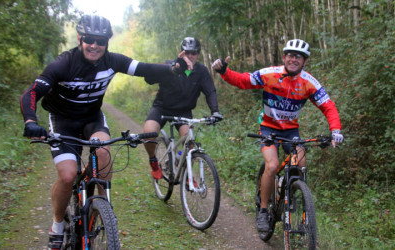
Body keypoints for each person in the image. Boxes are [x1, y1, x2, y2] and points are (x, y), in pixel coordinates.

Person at [20, 14, 191, 250]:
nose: (94, 45)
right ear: (80, 39)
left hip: (92, 118)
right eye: (89, 39)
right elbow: (31, 93)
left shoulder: (112, 60)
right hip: (63, 120)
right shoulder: (64, 64)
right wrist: (30, 121)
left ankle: (103, 209)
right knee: (68, 176)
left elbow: (144, 68)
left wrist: (173, 66)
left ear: (107, 43)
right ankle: (57, 224)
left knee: (103, 152)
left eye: (100, 41)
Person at [211, 39, 344, 232]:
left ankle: (292, 195)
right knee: (272, 165)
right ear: (284, 57)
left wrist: (335, 131)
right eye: (290, 55)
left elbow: (328, 106)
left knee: (300, 163)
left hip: (291, 131)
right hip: (268, 128)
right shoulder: (269, 74)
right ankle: (264, 211)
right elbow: (243, 81)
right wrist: (224, 71)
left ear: (305, 61)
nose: (293, 59)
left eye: (298, 57)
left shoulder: (309, 82)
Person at [143, 37, 223, 179]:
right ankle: (153, 161)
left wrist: (215, 111)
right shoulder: (170, 65)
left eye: (194, 53)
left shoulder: (202, 71)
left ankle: (186, 175)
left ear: (198, 54)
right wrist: (172, 67)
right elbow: (149, 79)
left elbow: (210, 91)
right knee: (149, 134)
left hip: (183, 110)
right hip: (161, 107)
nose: (190, 56)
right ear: (181, 53)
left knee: (190, 145)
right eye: (187, 53)